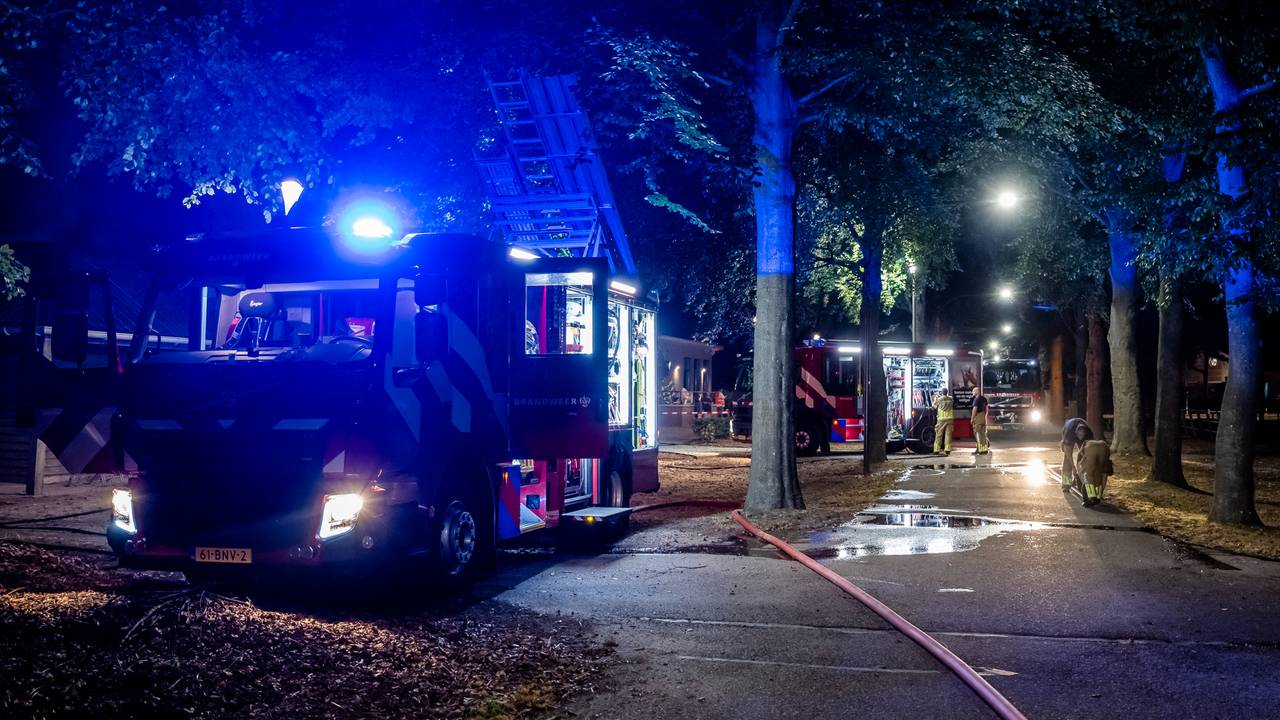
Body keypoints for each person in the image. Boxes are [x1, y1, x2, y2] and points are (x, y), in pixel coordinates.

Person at [1059, 418, 1094, 491]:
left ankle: (1080, 480)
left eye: (1082, 434)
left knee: (1083, 458)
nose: (1080, 436)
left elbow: (1088, 453)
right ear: (1076, 432)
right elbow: (1068, 453)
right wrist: (1074, 467)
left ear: (1085, 432)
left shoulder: (1089, 434)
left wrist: (1081, 465)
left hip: (1083, 434)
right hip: (1068, 428)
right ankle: (1066, 484)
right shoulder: (1070, 433)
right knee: (1067, 460)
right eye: (1079, 434)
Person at [1077, 439, 1113, 507]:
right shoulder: (1100, 446)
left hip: (1091, 447)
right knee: (1100, 474)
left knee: (1088, 475)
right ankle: (1098, 497)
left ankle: (1091, 498)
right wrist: (1100, 494)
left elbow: (1081, 470)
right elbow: (1104, 476)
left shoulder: (1083, 451)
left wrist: (1084, 480)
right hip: (1104, 446)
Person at [932, 388, 954, 455]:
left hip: (941, 419)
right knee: (948, 434)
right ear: (947, 392)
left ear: (942, 392)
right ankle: (947, 449)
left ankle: (936, 450)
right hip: (950, 419)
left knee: (939, 434)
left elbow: (934, 406)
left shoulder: (939, 399)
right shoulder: (950, 399)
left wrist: (934, 400)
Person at [971, 387, 990, 455]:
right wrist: (985, 416)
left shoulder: (976, 399)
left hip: (978, 416)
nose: (972, 392)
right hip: (983, 416)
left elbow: (974, 409)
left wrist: (972, 418)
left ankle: (979, 450)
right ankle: (984, 450)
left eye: (973, 391)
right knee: (983, 434)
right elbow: (987, 408)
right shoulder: (984, 399)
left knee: (977, 433)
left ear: (977, 392)